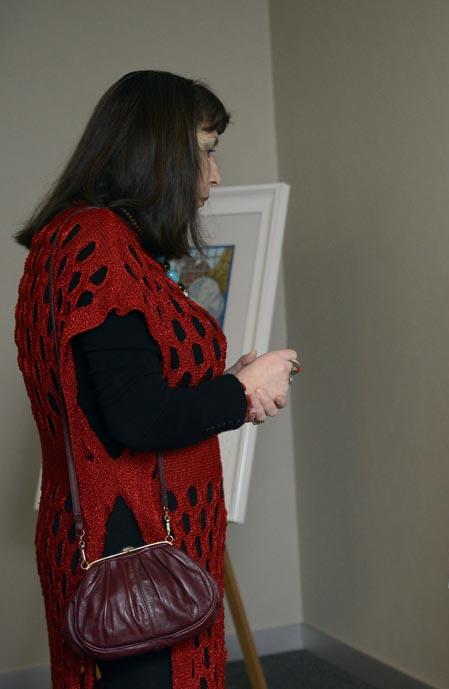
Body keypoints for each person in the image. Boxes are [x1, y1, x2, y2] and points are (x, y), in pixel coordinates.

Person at [13, 71, 298, 689]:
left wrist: (228, 384)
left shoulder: (71, 238)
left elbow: (115, 389)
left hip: (106, 532)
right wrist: (240, 391)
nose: (214, 175)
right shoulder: (100, 245)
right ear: (158, 151)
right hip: (132, 542)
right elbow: (137, 419)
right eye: (206, 151)